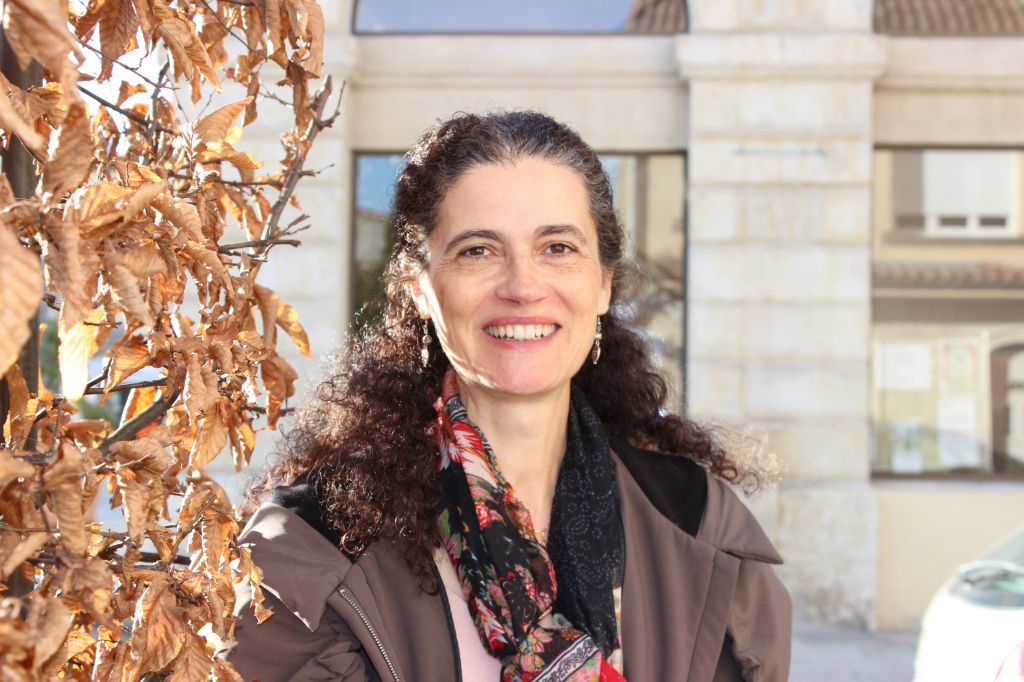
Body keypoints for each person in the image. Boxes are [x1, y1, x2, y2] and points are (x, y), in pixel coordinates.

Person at [228, 111, 791, 682]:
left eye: (558, 247)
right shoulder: (317, 548)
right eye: (478, 250)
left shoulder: (699, 526)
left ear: (603, 284)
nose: (523, 286)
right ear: (420, 287)